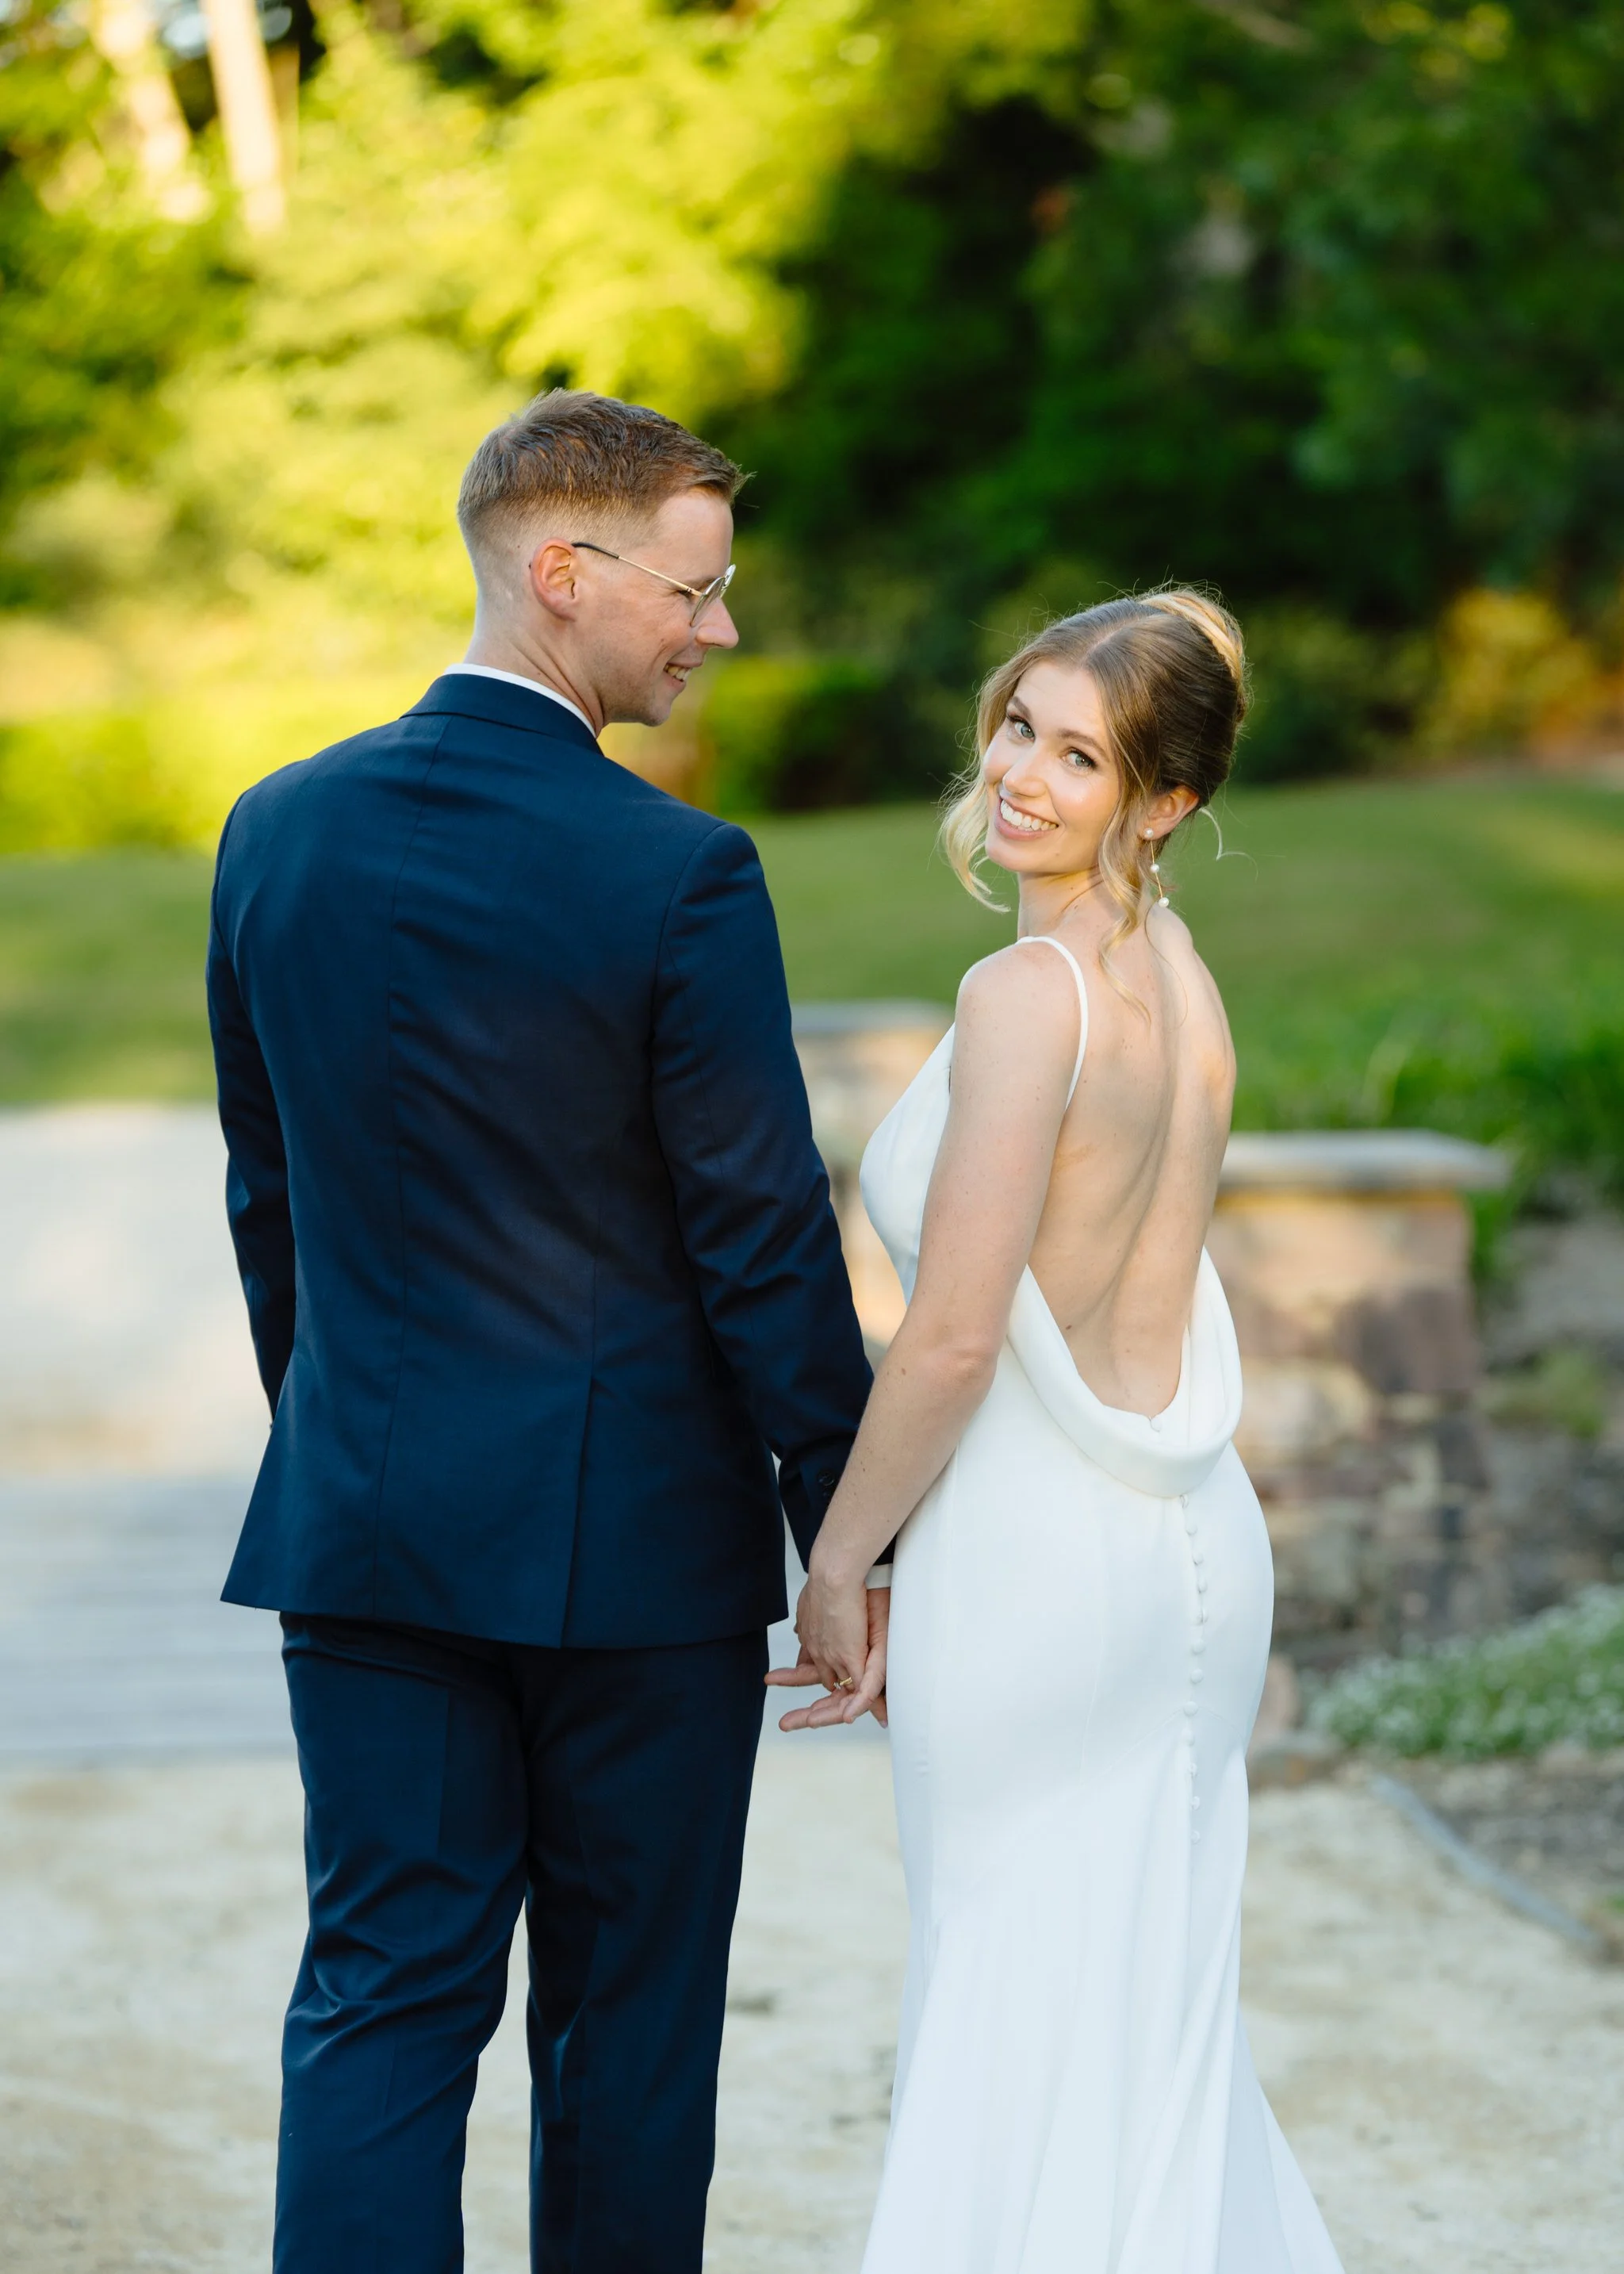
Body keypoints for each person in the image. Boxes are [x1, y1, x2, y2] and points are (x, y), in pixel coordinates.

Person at [206, 389, 880, 2274]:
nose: (720, 627)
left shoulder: (273, 833)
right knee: (629, 2029)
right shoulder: (676, 871)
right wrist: (847, 1520)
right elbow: (760, 1239)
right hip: (635, 1561)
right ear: (559, 573)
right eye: (697, 587)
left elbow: (272, 1209)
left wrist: (349, 1434)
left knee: (378, 2003)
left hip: (369, 1526)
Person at [768, 594, 1345, 2272]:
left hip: (1032, 1566)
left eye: (1077, 752)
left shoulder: (1028, 993)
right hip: (1186, 1548)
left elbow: (951, 1338)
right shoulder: (1178, 973)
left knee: (1005, 2012)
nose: (1018, 772)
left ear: (1159, 800)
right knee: (1149, 2029)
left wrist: (840, 1554)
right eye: (1017, 721)